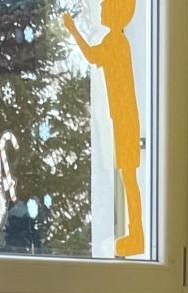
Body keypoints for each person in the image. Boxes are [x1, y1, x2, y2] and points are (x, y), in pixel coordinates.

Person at [62, 1, 144, 258]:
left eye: (105, 5)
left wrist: (72, 28)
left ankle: (137, 234)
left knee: (129, 179)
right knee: (128, 178)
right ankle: (136, 232)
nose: (101, 8)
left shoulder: (115, 43)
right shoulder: (118, 41)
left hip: (125, 120)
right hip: (123, 118)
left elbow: (90, 55)